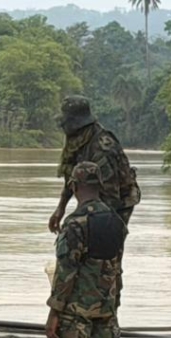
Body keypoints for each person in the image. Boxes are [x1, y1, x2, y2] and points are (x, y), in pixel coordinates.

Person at [45, 161, 127, 338]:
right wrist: (114, 307)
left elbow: (66, 273)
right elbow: (117, 270)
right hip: (106, 310)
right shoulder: (116, 222)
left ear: (74, 186)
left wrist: (54, 314)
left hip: (76, 312)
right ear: (99, 186)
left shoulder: (75, 224)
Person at [49, 95, 141, 235]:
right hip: (96, 196)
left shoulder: (101, 149)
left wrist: (101, 226)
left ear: (75, 123)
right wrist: (61, 208)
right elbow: (72, 177)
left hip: (120, 201)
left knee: (106, 239)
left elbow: (111, 195)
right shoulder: (77, 141)